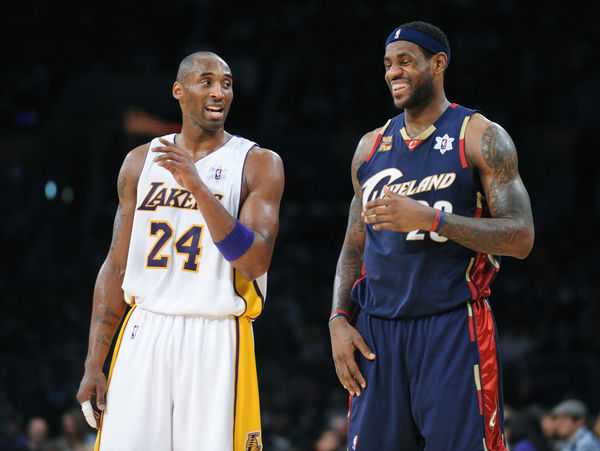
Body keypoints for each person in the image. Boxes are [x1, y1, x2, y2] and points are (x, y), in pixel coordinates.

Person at [328, 21, 534, 450]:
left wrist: (432, 220)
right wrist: (338, 320)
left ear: (438, 64)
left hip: (452, 326)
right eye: (387, 64)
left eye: (405, 61)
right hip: (377, 336)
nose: (393, 72)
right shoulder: (370, 147)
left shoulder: (479, 135)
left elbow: (520, 237)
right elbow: (353, 247)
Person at [76, 51, 284, 450]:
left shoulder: (258, 163)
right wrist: (93, 363)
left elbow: (255, 261)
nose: (219, 92)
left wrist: (198, 187)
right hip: (144, 328)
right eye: (206, 81)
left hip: (215, 332)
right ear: (179, 90)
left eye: (226, 83)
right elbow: (116, 265)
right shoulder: (140, 162)